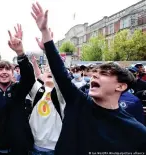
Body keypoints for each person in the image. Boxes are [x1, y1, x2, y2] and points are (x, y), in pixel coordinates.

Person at [31, 2, 146, 154]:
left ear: (121, 86)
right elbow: (61, 75)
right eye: (95, 72)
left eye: (104, 73)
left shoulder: (136, 131)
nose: (95, 75)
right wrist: (45, 33)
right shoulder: (78, 103)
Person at [0, 24, 35, 155]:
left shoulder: (19, 90)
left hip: (18, 147)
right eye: (1, 69)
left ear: (13, 74)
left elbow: (29, 78)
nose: (4, 72)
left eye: (8, 69)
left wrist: (20, 53)